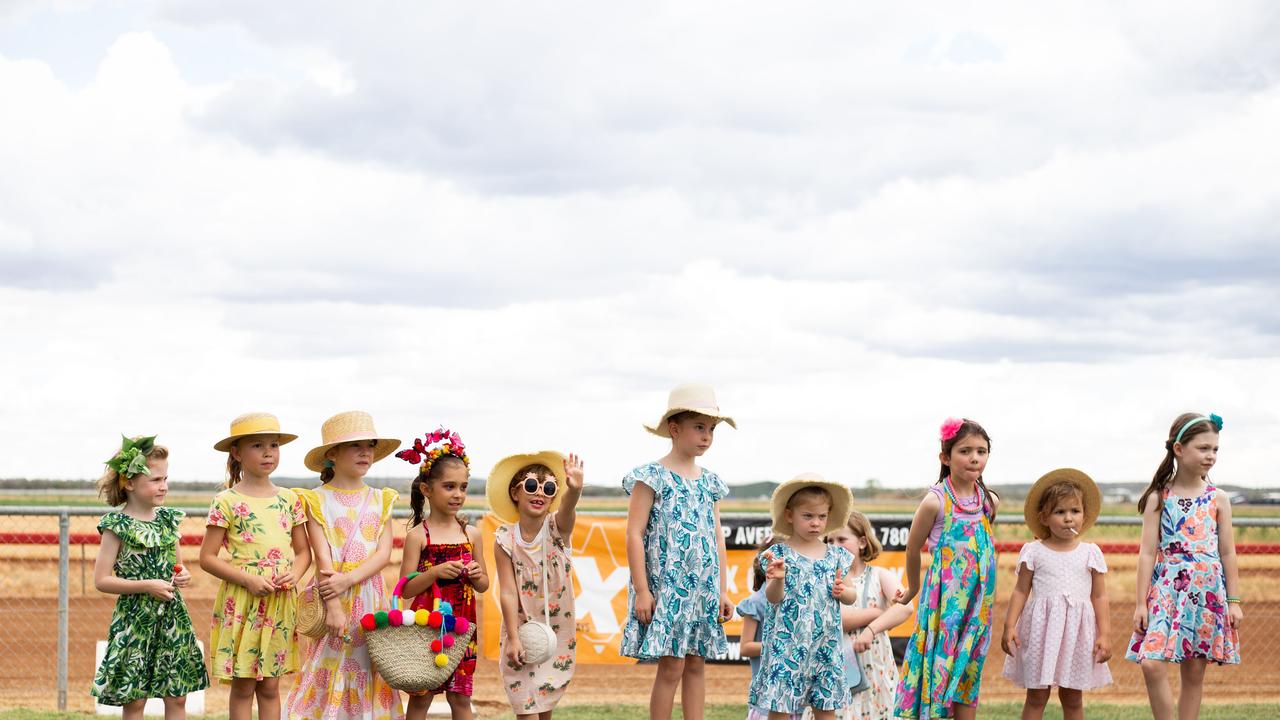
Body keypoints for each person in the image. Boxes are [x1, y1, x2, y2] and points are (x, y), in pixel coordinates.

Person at [623, 382, 737, 720]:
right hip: (667, 590)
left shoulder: (710, 482)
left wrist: (722, 590)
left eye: (711, 429)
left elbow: (717, 540)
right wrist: (643, 591)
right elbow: (633, 533)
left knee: (697, 664)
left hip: (702, 591)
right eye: (699, 427)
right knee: (671, 666)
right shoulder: (651, 477)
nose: (706, 436)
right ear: (675, 429)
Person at [284, 411, 404, 719]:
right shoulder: (315, 500)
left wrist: (348, 581)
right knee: (327, 665)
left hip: (368, 597)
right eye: (355, 445)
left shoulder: (381, 499)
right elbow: (323, 557)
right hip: (330, 597)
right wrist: (334, 603)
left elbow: (383, 554)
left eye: (370, 445)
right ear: (331, 455)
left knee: (368, 665)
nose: (366, 451)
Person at [1127, 413, 1241, 720]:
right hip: (1167, 590)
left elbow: (1228, 552)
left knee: (1193, 674)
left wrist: (1234, 601)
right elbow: (1147, 553)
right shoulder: (1158, 497)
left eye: (1215, 449)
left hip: (1207, 592)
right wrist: (1141, 602)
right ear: (1179, 449)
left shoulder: (1219, 499)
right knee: (1151, 663)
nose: (1211, 456)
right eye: (1203, 448)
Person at [200, 413, 311, 720]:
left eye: (274, 445)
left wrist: (296, 572)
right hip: (243, 601)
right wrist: (247, 580)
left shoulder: (291, 500)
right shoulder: (226, 501)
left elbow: (303, 553)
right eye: (257, 445)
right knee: (244, 686)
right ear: (236, 453)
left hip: (279, 600)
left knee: (271, 688)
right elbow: (207, 557)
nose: (268, 452)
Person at [91, 435, 208, 718]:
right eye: (155, 480)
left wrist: (183, 577)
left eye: (166, 478)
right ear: (129, 483)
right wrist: (146, 586)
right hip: (135, 620)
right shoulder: (116, 525)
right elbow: (102, 580)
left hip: (172, 618)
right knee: (135, 700)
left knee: (177, 697)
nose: (164, 486)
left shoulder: (168, 521)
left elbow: (177, 567)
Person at [894, 417, 1000, 720]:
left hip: (977, 608)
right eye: (965, 451)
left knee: (969, 670)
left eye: (981, 451)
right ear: (946, 457)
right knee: (940, 668)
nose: (975, 458)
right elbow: (913, 548)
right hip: (945, 608)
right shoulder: (935, 502)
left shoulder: (988, 502)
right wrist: (912, 588)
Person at [1001, 468, 1112, 720]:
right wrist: (1009, 626)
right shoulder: (1034, 551)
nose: (1068, 518)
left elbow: (1100, 596)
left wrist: (1104, 634)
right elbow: (1021, 590)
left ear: (1084, 515)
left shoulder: (1090, 553)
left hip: (1077, 633)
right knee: (1037, 696)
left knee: (1073, 697)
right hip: (1042, 631)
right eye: (1059, 512)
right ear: (1044, 517)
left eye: (1075, 511)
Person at [397, 427, 490, 720]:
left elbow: (485, 585)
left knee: (461, 698)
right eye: (449, 487)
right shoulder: (418, 535)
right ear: (427, 489)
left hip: (463, 625)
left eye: (463, 487)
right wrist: (434, 572)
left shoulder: (471, 534)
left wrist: (476, 575)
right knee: (421, 699)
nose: (458, 494)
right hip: (427, 625)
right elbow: (405, 589)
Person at [747, 474, 857, 720]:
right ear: (789, 515)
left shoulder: (836, 556)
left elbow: (851, 596)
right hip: (786, 647)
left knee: (826, 709)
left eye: (822, 516)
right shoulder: (779, 555)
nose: (816, 523)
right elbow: (773, 599)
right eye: (808, 516)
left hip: (825, 647)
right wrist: (778, 579)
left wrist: (844, 591)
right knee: (780, 709)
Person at [489, 451, 585, 719]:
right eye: (531, 485)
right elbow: (507, 591)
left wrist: (574, 489)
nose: (539, 492)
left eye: (549, 488)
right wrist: (513, 636)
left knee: (544, 708)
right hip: (519, 629)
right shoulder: (505, 540)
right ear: (515, 492)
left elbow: (568, 508)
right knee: (526, 709)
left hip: (555, 631)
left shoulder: (557, 530)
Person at [831, 511, 913, 720]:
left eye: (841, 539)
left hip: (876, 670)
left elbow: (905, 607)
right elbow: (840, 621)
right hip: (838, 670)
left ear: (862, 542)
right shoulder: (827, 580)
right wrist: (878, 613)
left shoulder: (880, 576)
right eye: (829, 540)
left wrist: (871, 630)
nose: (834, 545)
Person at [736, 537, 799, 720]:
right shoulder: (756, 602)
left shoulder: (800, 600)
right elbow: (745, 647)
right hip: (766, 697)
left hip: (798, 699)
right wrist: (781, 646)